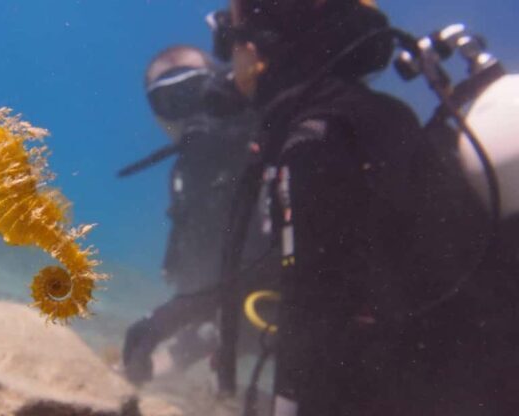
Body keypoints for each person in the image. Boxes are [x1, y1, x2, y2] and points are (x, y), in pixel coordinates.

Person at [214, 0, 519, 415]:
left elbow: (314, 325)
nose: (228, 58)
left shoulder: (314, 140)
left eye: (229, 37)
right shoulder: (375, 116)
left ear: (261, 47)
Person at [121, 44, 276, 385]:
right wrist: (171, 354)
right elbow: (212, 296)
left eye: (196, 92)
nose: (189, 113)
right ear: (159, 117)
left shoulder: (279, 145)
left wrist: (175, 316)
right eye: (170, 101)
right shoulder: (186, 180)